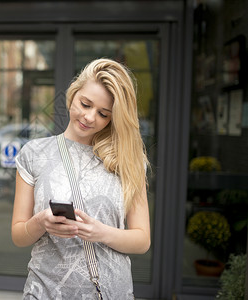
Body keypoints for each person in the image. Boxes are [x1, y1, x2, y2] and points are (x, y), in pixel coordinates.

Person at [11, 58, 151, 299]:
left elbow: (142, 240)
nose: (89, 117)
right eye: (85, 104)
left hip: (110, 293)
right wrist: (40, 222)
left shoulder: (127, 159)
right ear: (73, 95)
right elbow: (18, 235)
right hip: (45, 291)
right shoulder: (34, 154)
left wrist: (101, 232)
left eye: (103, 113)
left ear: (113, 118)